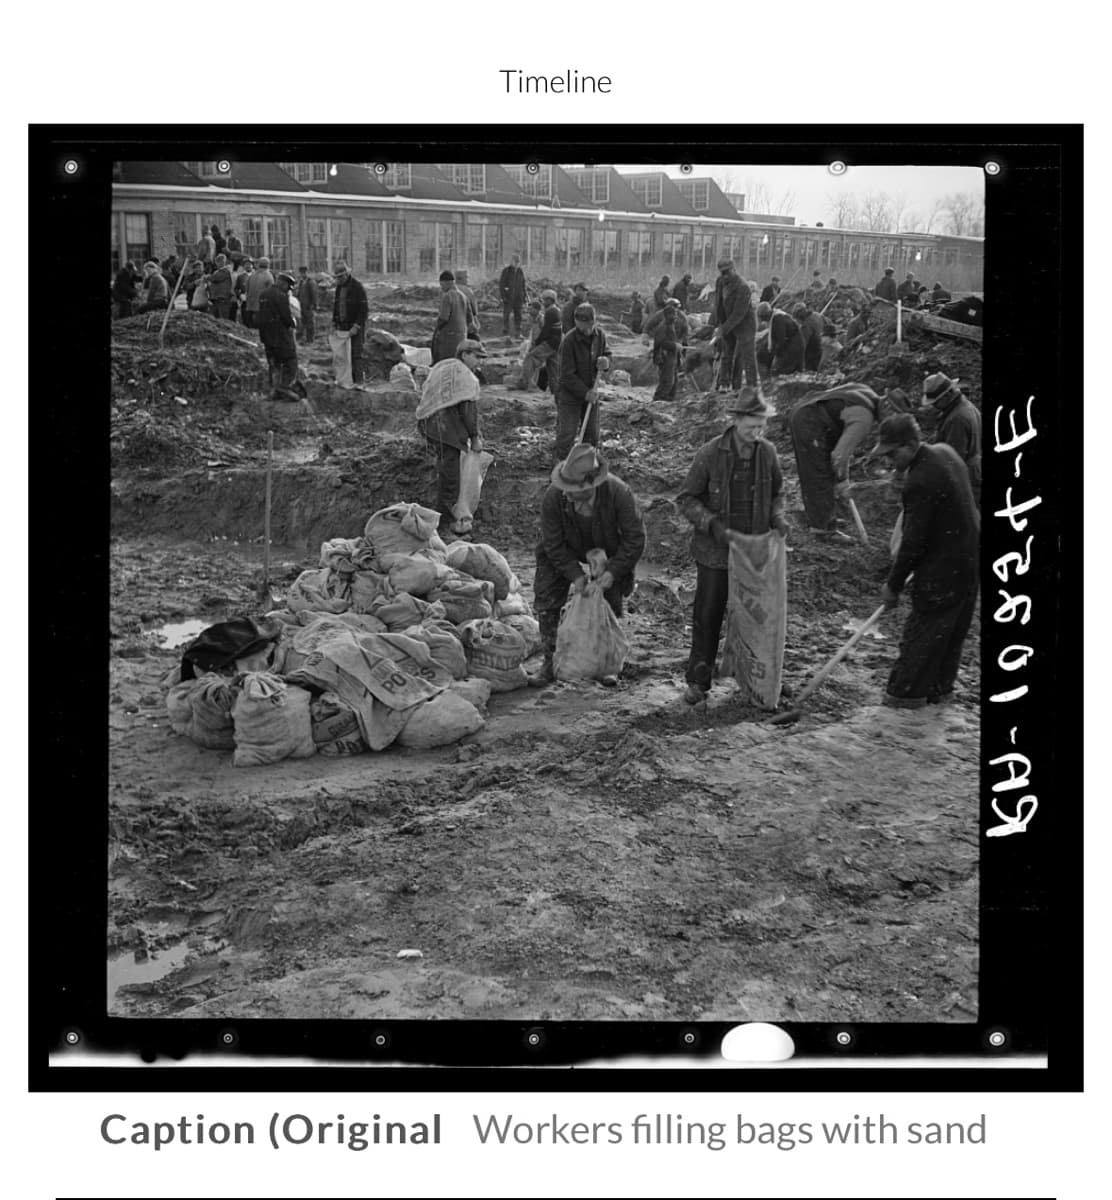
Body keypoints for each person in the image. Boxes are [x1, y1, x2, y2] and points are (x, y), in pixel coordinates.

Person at [676, 387, 789, 705]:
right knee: (708, 615)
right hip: (715, 553)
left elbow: (779, 492)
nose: (758, 432)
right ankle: (698, 679)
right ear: (737, 421)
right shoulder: (710, 454)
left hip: (754, 552)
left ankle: (754, 677)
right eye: (753, 426)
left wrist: (778, 516)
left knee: (755, 616)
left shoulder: (767, 453)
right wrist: (711, 524)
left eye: (762, 426)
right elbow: (686, 499)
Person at [876, 414, 980, 708]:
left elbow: (912, 543)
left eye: (893, 453)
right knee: (950, 637)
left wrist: (893, 585)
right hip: (969, 561)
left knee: (923, 637)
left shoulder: (919, 480)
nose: (890, 461)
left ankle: (904, 699)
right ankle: (939, 693)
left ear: (910, 444)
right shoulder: (945, 452)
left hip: (943, 570)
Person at [528, 444, 645, 688]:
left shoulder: (619, 494)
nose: (566, 494)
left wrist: (612, 573)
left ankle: (605, 660)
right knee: (547, 595)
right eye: (564, 488)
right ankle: (551, 660)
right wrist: (576, 576)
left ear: (591, 486)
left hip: (608, 550)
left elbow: (635, 539)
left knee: (608, 600)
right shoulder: (554, 496)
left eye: (573, 491)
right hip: (567, 548)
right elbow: (553, 544)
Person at [788, 382, 899, 536]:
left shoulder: (867, 391)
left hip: (808, 412)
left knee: (824, 469)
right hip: (809, 420)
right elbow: (839, 455)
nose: (890, 421)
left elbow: (842, 450)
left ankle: (826, 518)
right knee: (819, 473)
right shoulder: (864, 418)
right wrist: (842, 480)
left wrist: (842, 476)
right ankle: (822, 529)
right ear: (886, 405)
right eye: (892, 415)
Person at [416, 339, 488, 534]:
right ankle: (444, 524)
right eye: (476, 357)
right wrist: (474, 437)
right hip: (447, 429)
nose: (478, 362)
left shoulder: (443, 368)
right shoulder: (466, 378)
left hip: (429, 425)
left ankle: (441, 518)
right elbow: (468, 412)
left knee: (445, 470)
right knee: (451, 479)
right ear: (464, 354)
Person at [554, 302, 610, 459]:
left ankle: (586, 465)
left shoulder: (600, 336)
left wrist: (606, 361)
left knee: (592, 434)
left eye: (586, 327)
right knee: (567, 433)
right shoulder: (569, 341)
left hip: (591, 390)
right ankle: (562, 466)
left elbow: (606, 353)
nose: (583, 331)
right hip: (570, 394)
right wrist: (585, 393)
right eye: (579, 327)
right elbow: (566, 375)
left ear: (593, 322)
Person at [921, 373, 982, 506]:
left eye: (936, 402)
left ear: (947, 395)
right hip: (973, 474)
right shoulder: (965, 406)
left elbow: (953, 460)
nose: (934, 406)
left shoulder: (957, 419)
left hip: (966, 479)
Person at [708, 257, 757, 390]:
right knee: (726, 352)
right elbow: (718, 304)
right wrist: (718, 324)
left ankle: (751, 388)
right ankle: (724, 384)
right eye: (722, 273)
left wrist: (723, 329)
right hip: (727, 322)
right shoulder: (720, 282)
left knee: (747, 356)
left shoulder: (743, 287)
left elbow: (738, 314)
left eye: (727, 272)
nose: (725, 276)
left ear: (734, 270)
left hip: (745, 325)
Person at [258, 271, 304, 401]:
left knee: (274, 363)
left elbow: (259, 317)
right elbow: (286, 317)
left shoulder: (263, 294)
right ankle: (285, 386)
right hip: (281, 337)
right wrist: (293, 322)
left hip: (267, 338)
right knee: (291, 361)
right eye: (288, 287)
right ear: (282, 283)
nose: (288, 290)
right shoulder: (281, 296)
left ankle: (274, 390)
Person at [644, 297, 689, 401]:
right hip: (665, 356)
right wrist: (645, 335)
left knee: (674, 380)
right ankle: (659, 400)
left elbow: (685, 334)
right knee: (667, 380)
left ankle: (669, 399)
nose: (676, 315)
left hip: (674, 354)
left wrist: (682, 354)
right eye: (673, 312)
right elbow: (660, 343)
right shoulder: (663, 326)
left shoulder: (679, 320)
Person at [518, 289, 562, 391]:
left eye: (545, 300)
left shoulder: (550, 312)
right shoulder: (557, 310)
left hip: (550, 343)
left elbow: (546, 331)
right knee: (553, 369)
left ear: (550, 300)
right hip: (556, 344)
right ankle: (555, 391)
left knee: (530, 358)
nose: (543, 303)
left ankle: (527, 384)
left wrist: (538, 342)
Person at [332, 260, 368, 381]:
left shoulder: (357, 287)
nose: (338, 279)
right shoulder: (339, 287)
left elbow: (364, 309)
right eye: (337, 277)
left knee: (356, 355)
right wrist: (334, 322)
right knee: (343, 356)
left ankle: (358, 382)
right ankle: (345, 381)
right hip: (343, 326)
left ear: (346, 274)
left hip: (355, 327)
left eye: (340, 277)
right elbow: (336, 305)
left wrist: (356, 326)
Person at [431, 269, 469, 364]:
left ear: (447, 283)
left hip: (448, 338)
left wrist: (437, 329)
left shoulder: (447, 296)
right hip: (462, 336)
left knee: (444, 363)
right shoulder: (463, 296)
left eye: (441, 284)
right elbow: (469, 318)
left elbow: (444, 318)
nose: (441, 287)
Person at [756, 301, 803, 375]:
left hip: (792, 347)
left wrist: (775, 354)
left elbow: (781, 340)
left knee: (777, 371)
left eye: (763, 317)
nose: (763, 320)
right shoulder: (776, 317)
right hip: (791, 345)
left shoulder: (778, 319)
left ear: (767, 314)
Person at [498, 254, 526, 336]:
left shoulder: (520, 271)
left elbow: (523, 284)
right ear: (511, 261)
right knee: (506, 315)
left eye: (518, 262)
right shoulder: (506, 271)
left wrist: (524, 296)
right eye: (515, 261)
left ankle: (518, 332)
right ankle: (505, 331)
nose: (517, 263)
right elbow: (501, 285)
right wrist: (503, 297)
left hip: (518, 298)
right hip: (509, 298)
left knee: (518, 315)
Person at [244, 255, 274, 330]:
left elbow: (246, 289)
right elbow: (271, 293)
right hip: (262, 309)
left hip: (250, 307)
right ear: (268, 265)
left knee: (251, 330)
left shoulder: (251, 276)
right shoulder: (269, 276)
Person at [793, 302, 825, 372]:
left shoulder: (806, 325)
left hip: (812, 352)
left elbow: (804, 343)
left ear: (800, 313)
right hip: (822, 347)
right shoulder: (818, 315)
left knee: (811, 372)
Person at [455, 268, 481, 338]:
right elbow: (474, 308)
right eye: (466, 277)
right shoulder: (467, 290)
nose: (467, 279)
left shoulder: (449, 290)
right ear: (461, 279)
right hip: (466, 319)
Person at [207, 253, 234, 320]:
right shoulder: (217, 271)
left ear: (224, 262)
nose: (220, 263)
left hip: (223, 299)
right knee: (216, 319)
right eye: (218, 261)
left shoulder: (226, 271)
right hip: (215, 298)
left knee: (223, 319)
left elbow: (216, 278)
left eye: (221, 261)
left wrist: (207, 277)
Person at [296, 266, 319, 343]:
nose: (303, 274)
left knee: (310, 323)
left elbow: (314, 294)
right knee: (303, 322)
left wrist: (314, 304)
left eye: (304, 272)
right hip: (302, 305)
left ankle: (310, 339)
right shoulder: (302, 282)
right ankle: (303, 337)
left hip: (308, 306)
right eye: (301, 273)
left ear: (307, 272)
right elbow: (299, 293)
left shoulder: (311, 282)